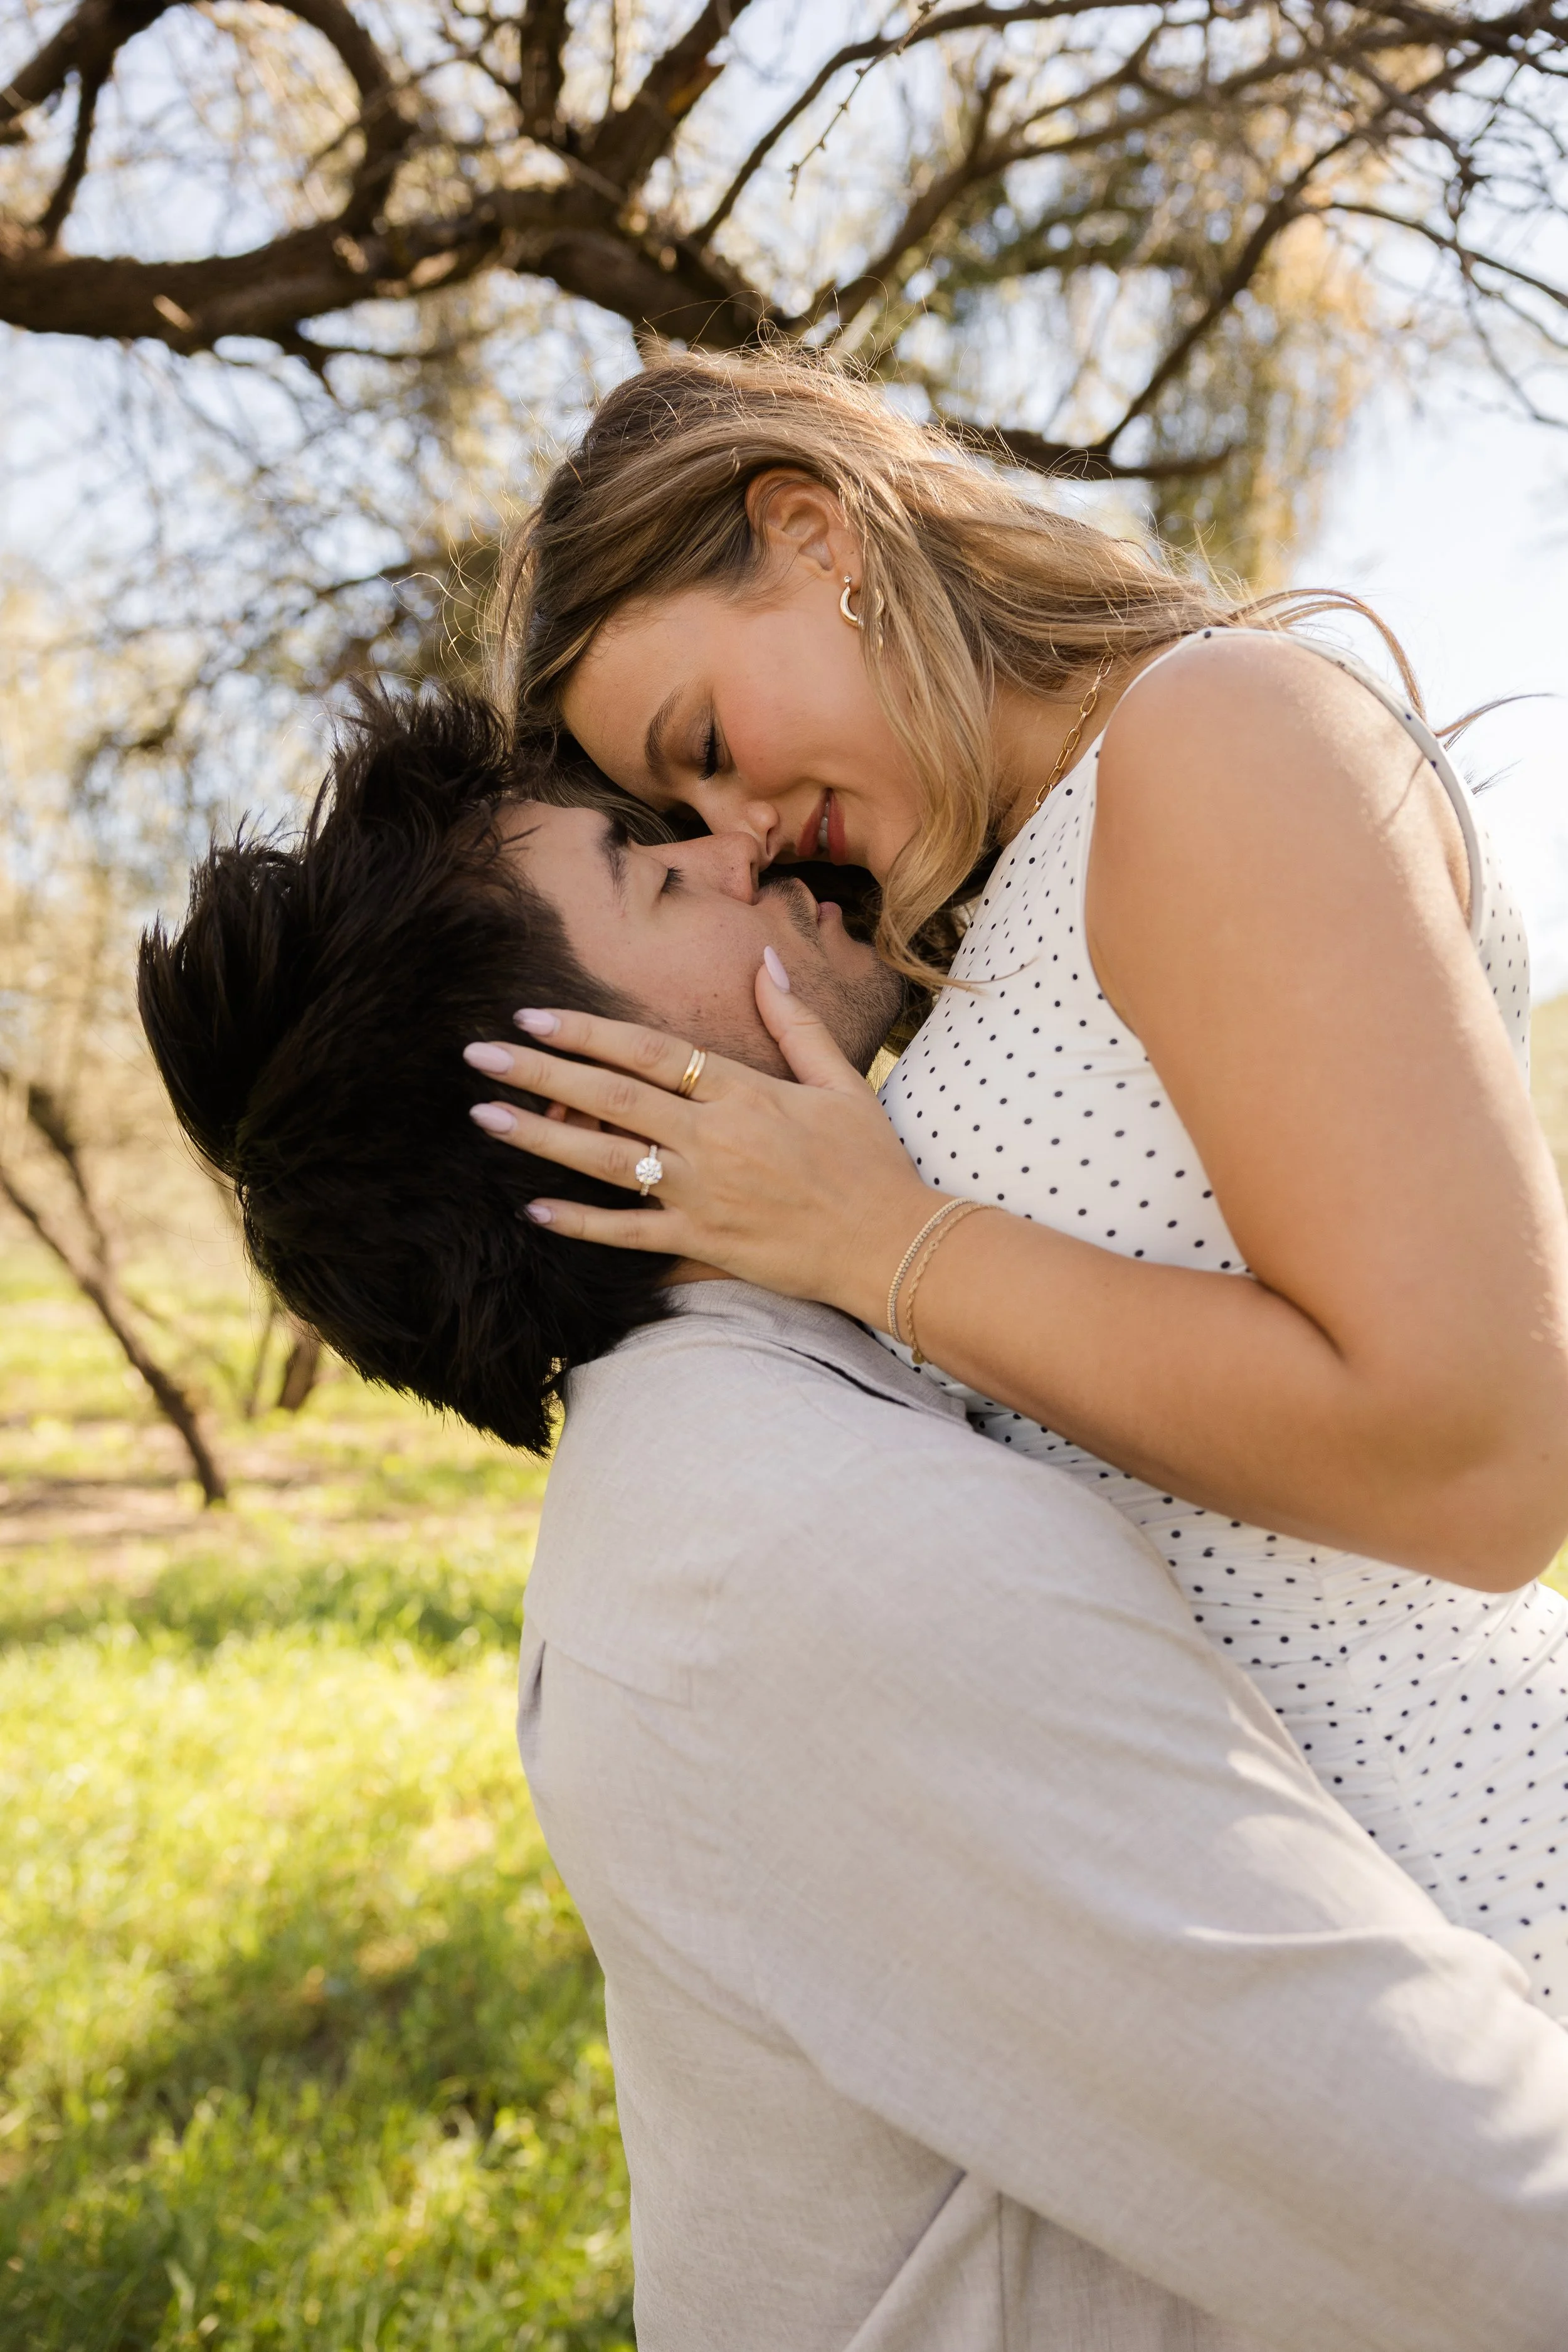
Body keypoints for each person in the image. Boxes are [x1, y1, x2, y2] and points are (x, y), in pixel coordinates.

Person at [137, 686, 1568, 2351]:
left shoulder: (743, 1452)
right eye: (662, 877)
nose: (753, 855)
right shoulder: (821, 1552)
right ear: (574, 1109)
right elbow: (1491, 2224)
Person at [484, 345, 1568, 2013]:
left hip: (1496, 1912)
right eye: (672, 808)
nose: (737, 829)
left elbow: (1482, 1466)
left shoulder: (1214, 735)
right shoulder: (993, 912)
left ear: (813, 535)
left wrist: (885, 1242)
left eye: (703, 740)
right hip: (1296, 1999)